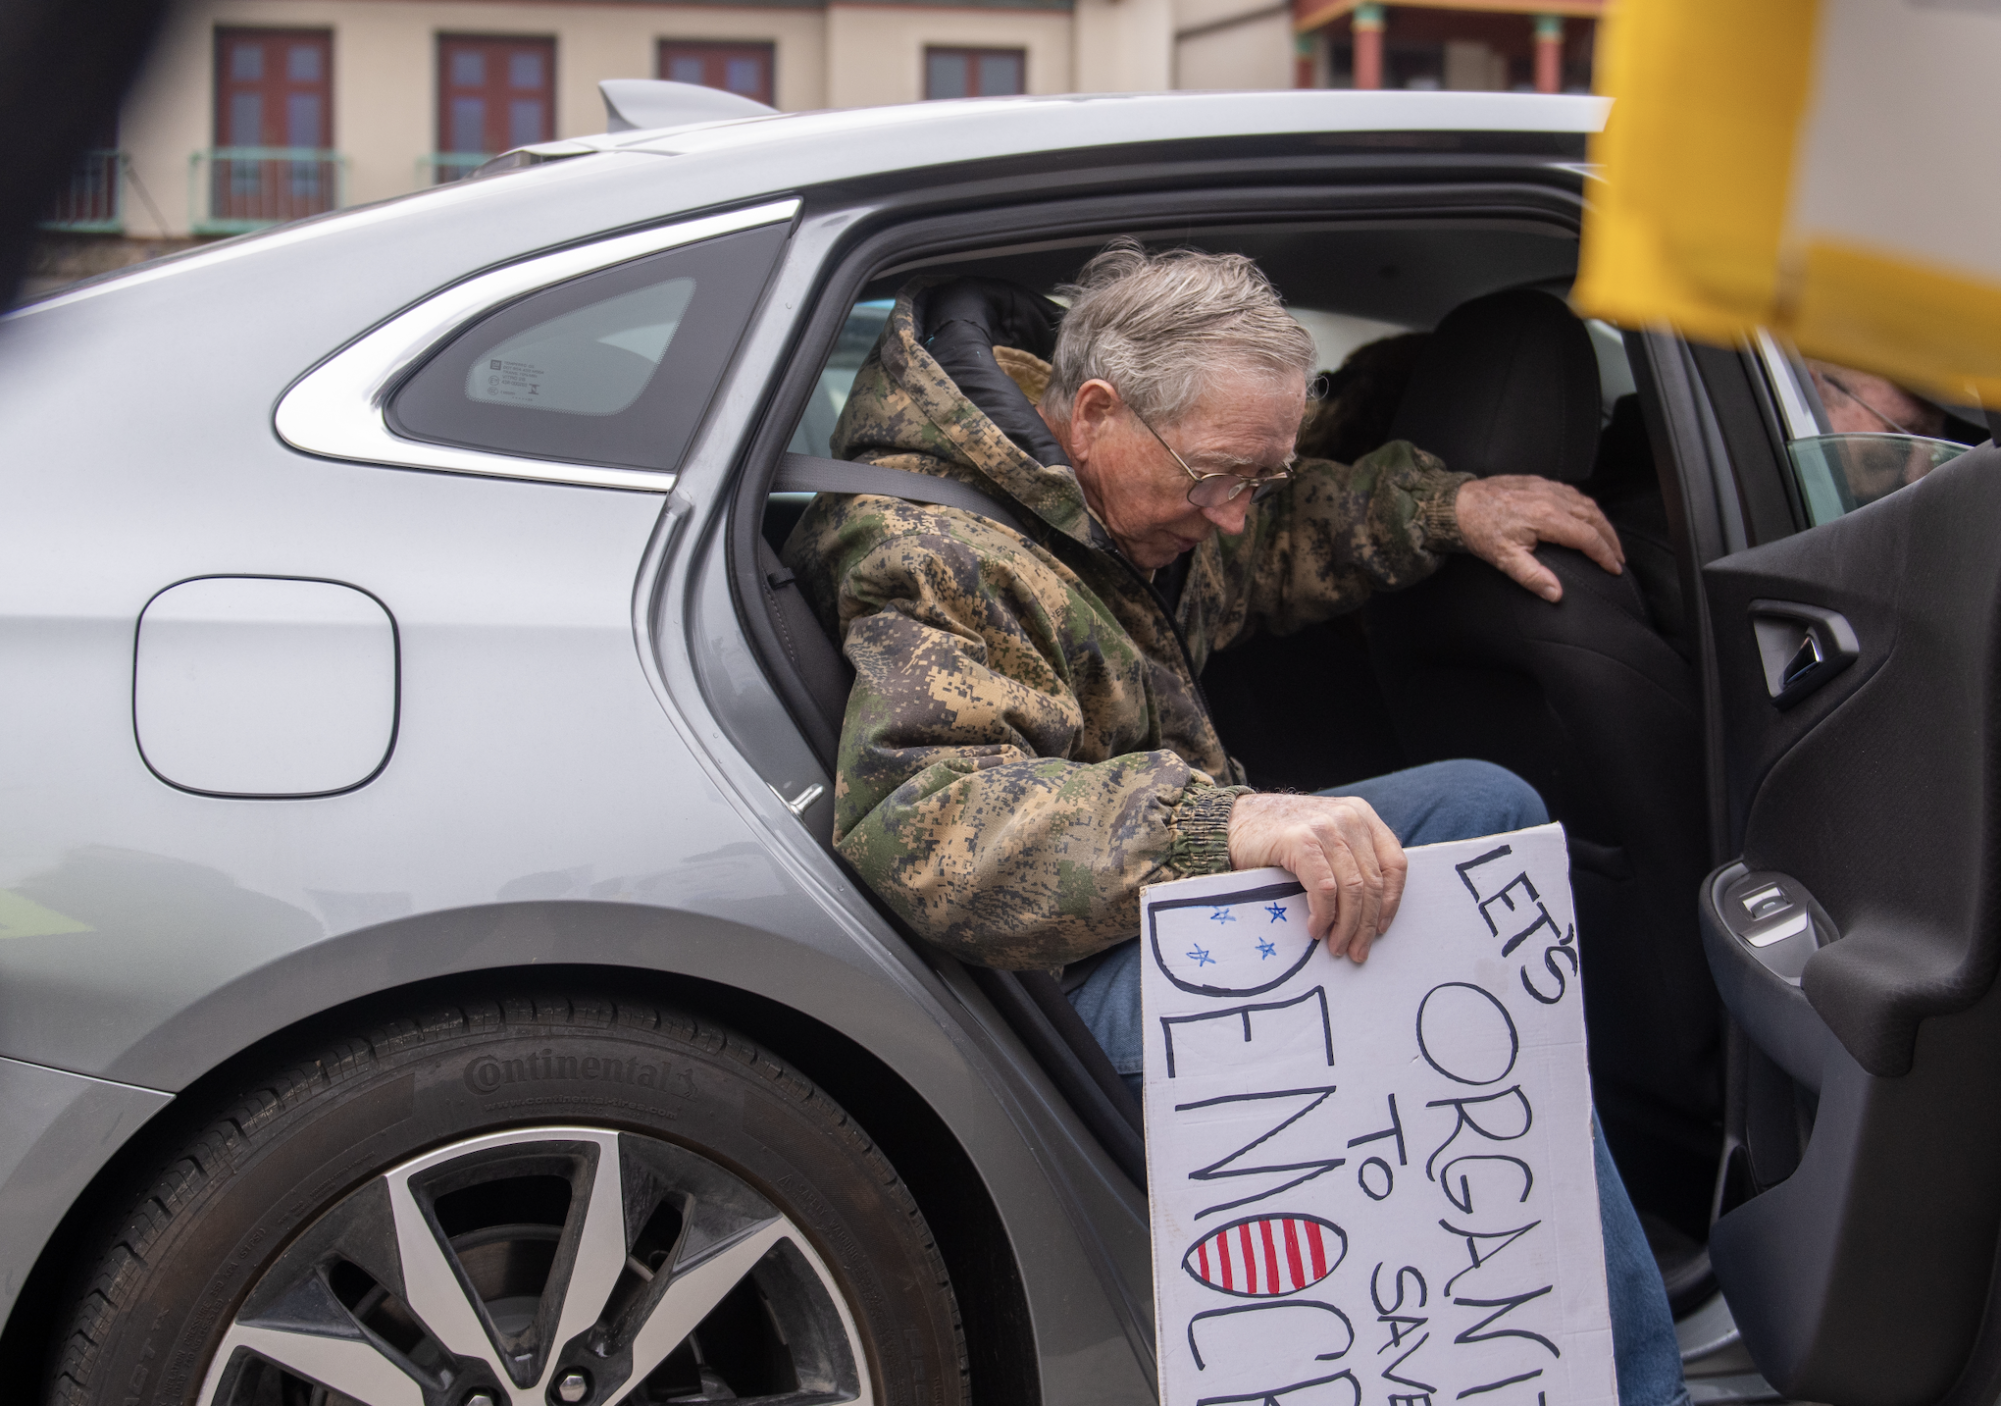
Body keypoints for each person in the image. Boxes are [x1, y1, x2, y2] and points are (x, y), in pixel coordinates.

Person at [783, 241, 1687, 1405]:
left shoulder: (1101, 488)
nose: (1228, 515)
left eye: (1254, 478)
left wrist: (1446, 505)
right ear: (1098, 412)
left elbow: (1267, 544)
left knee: (1483, 810)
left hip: (1138, 900)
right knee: (1482, 996)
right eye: (1217, 477)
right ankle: (1623, 1383)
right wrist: (1226, 825)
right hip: (1049, 987)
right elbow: (932, 818)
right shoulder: (940, 550)